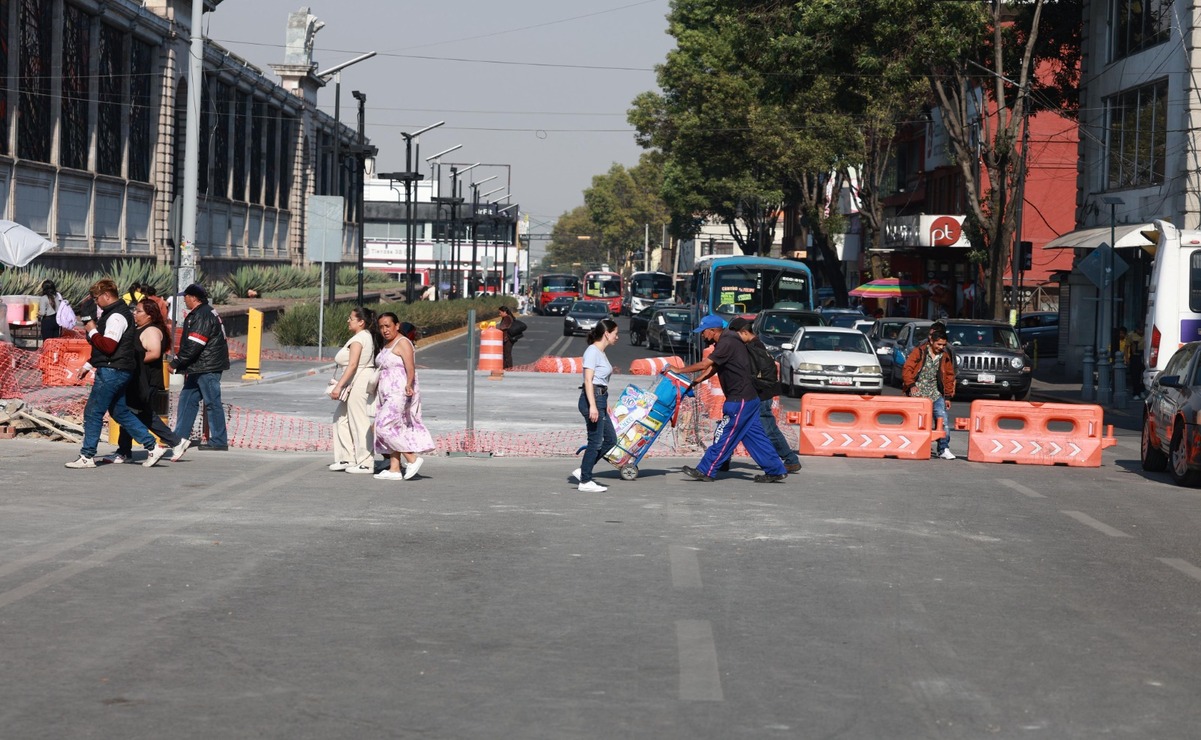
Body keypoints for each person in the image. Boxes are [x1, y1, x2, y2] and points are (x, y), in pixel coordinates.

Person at [670, 315, 789, 483]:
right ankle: (776, 470)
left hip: (739, 400)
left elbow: (705, 364)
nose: (702, 336)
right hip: (749, 398)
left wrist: (679, 370)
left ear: (712, 331)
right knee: (755, 437)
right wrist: (696, 381)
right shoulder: (728, 341)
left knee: (724, 434)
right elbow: (714, 368)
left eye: (703, 332)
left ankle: (706, 470)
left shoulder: (727, 342)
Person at [65, 279, 168, 469]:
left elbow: (109, 346)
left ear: (106, 295)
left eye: (97, 298)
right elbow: (105, 348)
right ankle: (152, 446)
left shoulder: (116, 317)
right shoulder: (113, 314)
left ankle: (87, 456)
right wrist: (89, 365)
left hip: (112, 371)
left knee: (93, 412)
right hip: (117, 369)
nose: (96, 302)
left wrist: (92, 329)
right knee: (120, 412)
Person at [108, 298, 190, 464]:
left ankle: (174, 441)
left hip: (146, 381)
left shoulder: (150, 330)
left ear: (150, 315)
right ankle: (124, 451)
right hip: (139, 380)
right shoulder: (142, 328)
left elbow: (154, 352)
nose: (135, 314)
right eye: (135, 310)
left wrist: (130, 362)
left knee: (136, 414)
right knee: (132, 413)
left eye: (139, 311)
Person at [729, 317, 802, 473]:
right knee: (744, 427)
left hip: (760, 394)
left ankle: (789, 460)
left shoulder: (752, 347)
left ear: (743, 333)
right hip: (761, 393)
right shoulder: (758, 345)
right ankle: (789, 460)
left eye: (735, 335)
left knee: (767, 430)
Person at [373, 312, 435, 481]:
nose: (385, 330)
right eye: (381, 327)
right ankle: (394, 469)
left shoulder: (403, 343)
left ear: (397, 325)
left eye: (388, 326)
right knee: (394, 428)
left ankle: (412, 458)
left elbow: (411, 367)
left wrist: (408, 384)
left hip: (399, 393)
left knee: (383, 427)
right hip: (385, 393)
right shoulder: (387, 344)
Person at [170, 283, 231, 451]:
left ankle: (219, 440)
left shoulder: (202, 315)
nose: (184, 300)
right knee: (187, 400)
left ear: (194, 298)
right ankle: (179, 438)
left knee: (212, 403)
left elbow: (195, 344)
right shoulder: (204, 312)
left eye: (186, 297)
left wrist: (176, 362)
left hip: (207, 367)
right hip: (198, 367)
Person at [329, 307, 380, 474]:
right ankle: (347, 457)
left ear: (361, 322)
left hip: (359, 381)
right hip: (356, 380)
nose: (348, 321)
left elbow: (352, 365)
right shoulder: (364, 337)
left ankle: (366, 461)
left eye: (351, 318)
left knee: (359, 420)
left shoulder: (359, 339)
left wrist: (338, 387)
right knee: (340, 418)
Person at [571, 318, 619, 493]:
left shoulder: (601, 352)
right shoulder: (592, 351)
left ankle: (584, 470)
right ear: (607, 333)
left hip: (600, 398)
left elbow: (601, 381)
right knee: (595, 441)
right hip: (592, 399)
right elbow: (588, 380)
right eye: (615, 333)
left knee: (611, 439)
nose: (617, 337)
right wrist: (593, 405)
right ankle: (585, 480)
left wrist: (604, 403)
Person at [901, 326, 957, 460]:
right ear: (931, 341)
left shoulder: (944, 356)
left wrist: (948, 396)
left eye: (943, 345)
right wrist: (911, 385)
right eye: (939, 344)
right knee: (916, 421)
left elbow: (949, 376)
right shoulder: (919, 351)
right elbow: (907, 368)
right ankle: (912, 444)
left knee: (942, 420)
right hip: (918, 392)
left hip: (936, 393)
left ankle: (944, 448)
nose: (941, 347)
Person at [496, 305, 526, 369]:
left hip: (508, 339)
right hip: (507, 338)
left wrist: (495, 329)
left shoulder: (507, 318)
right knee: (505, 353)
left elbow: (503, 327)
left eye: (500, 312)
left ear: (504, 312)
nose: (499, 314)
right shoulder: (506, 318)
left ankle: (509, 368)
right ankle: (506, 367)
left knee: (507, 354)